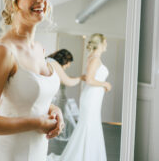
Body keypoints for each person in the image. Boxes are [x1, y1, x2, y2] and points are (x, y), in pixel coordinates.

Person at [0, 0, 66, 161]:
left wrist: (54, 110)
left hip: (38, 151)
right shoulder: (2, 51)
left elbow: (27, 99)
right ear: (12, 3)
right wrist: (36, 122)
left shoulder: (40, 49)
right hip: (8, 153)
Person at [48, 33, 111, 161]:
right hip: (91, 97)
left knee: (91, 124)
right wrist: (105, 84)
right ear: (101, 44)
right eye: (105, 42)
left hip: (93, 96)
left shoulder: (93, 58)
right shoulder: (95, 59)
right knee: (88, 125)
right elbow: (89, 79)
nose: (106, 45)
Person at [47, 49, 85, 141]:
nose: (68, 66)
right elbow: (68, 81)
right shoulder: (54, 63)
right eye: (68, 63)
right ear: (65, 60)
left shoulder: (49, 61)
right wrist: (80, 78)